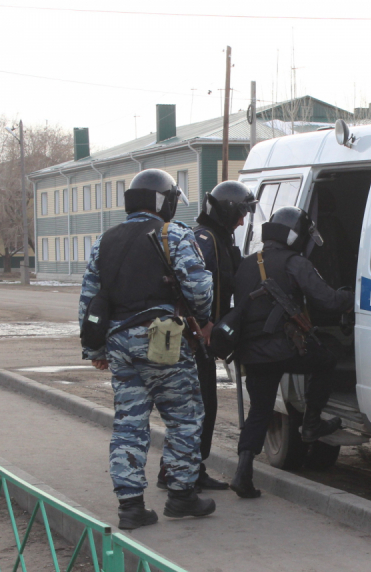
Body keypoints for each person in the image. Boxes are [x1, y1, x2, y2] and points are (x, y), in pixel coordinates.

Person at [79, 169, 214, 529]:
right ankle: (182, 496)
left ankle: (131, 507)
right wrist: (203, 320)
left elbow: (89, 299)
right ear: (164, 202)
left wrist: (94, 349)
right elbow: (200, 287)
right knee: (184, 415)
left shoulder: (105, 240)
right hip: (163, 338)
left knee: (129, 422)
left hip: (118, 341)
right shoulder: (174, 234)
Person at [230, 206, 354, 497]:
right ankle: (311, 423)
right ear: (296, 235)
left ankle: (242, 474)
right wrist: (352, 296)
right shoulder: (295, 263)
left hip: (252, 353)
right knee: (325, 359)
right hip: (285, 349)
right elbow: (327, 300)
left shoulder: (248, 263)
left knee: (259, 412)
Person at [156, 181, 256, 493]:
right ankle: (185, 472)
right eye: (239, 214)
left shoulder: (219, 240)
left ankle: (180, 469)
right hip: (192, 338)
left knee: (201, 405)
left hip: (201, 337)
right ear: (226, 212)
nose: (242, 221)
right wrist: (204, 326)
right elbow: (195, 289)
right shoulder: (204, 239)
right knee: (199, 407)